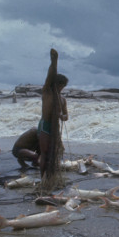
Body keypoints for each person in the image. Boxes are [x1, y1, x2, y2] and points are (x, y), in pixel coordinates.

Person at [38, 48, 68, 179]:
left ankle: (51, 176)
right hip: (45, 125)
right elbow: (50, 76)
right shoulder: (47, 92)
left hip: (55, 127)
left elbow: (66, 116)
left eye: (63, 86)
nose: (61, 88)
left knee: (54, 153)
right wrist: (54, 61)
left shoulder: (62, 99)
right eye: (60, 85)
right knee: (44, 152)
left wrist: (62, 116)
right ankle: (43, 177)